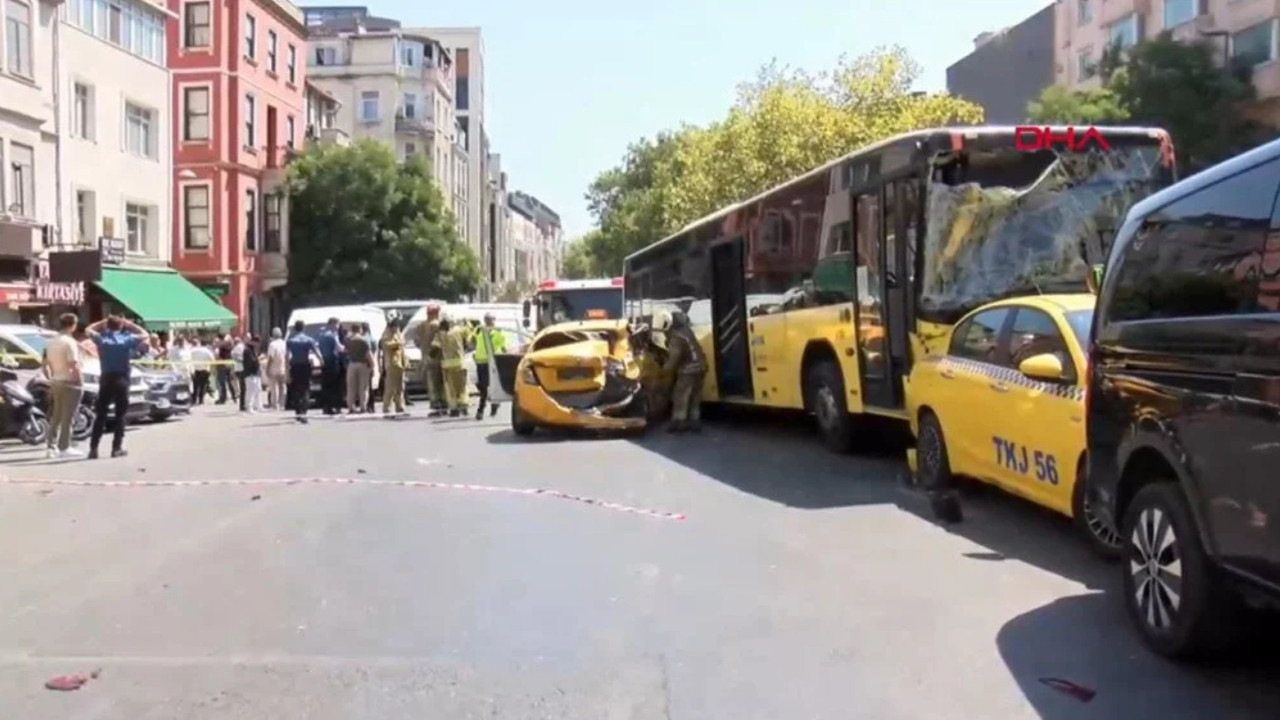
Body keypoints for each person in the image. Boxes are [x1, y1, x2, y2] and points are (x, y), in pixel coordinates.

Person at [84, 315, 148, 458]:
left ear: (108, 325)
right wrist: (130, 324)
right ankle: (116, 448)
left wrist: (102, 322)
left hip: (106, 378)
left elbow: (88, 329)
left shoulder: (102, 339)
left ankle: (93, 448)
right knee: (120, 415)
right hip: (122, 378)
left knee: (101, 414)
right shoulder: (127, 339)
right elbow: (144, 334)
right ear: (121, 326)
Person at [42, 312, 84, 458]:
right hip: (69, 381)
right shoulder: (69, 342)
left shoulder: (51, 341)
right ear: (73, 325)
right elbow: (74, 364)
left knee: (56, 415)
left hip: (56, 380)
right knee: (69, 416)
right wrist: (78, 381)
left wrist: (51, 377)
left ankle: (50, 446)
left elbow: (45, 364)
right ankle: (64, 446)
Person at [661, 310, 707, 433]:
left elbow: (674, 359)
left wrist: (663, 369)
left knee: (680, 396)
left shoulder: (676, 337)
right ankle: (695, 423)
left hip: (688, 370)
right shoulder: (687, 332)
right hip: (701, 368)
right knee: (695, 397)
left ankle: (678, 423)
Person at [471, 312, 507, 420]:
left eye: (490, 319)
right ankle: (487, 406)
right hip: (480, 361)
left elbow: (503, 346)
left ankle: (484, 409)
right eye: (486, 319)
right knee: (482, 386)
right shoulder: (479, 329)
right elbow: (472, 340)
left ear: (494, 320)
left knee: (492, 385)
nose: (488, 321)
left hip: (491, 362)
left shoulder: (498, 331)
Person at [285, 320, 321, 423]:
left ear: (295, 328)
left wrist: (287, 368)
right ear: (303, 328)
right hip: (305, 365)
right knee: (305, 389)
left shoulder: (291, 341)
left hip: (294, 365)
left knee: (296, 389)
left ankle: (298, 411)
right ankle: (304, 412)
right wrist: (321, 361)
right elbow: (316, 352)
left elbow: (287, 356)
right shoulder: (309, 340)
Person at [413, 304, 445, 417]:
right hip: (438, 357)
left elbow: (416, 341)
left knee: (431, 382)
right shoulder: (437, 325)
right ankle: (442, 404)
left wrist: (424, 349)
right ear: (435, 313)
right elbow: (442, 340)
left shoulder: (420, 326)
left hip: (426, 357)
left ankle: (435, 404)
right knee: (441, 382)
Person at [434, 316, 468, 417]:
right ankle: (463, 404)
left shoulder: (440, 335)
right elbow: (468, 341)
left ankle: (454, 409)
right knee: (462, 387)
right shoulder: (459, 331)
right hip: (460, 363)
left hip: (448, 365)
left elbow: (434, 350)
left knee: (450, 388)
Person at [317, 317, 344, 415]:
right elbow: (339, 348)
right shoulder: (333, 335)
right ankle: (334, 406)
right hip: (333, 362)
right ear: (332, 324)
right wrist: (348, 348)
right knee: (335, 385)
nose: (338, 326)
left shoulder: (322, 335)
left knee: (326, 385)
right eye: (337, 324)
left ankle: (326, 407)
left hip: (324, 362)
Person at [344, 323, 373, 413]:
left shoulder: (348, 340)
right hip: (362, 364)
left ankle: (351, 407)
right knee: (363, 387)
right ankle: (363, 407)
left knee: (351, 387)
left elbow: (345, 351)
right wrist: (372, 365)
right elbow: (368, 354)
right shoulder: (363, 340)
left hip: (352, 364)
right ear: (359, 329)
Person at [380, 321, 407, 415]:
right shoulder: (387, 335)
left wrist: (405, 361)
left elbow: (402, 349)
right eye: (395, 326)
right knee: (390, 387)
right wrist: (398, 343)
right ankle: (387, 406)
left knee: (400, 387)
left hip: (399, 364)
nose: (396, 328)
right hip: (391, 364)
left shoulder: (398, 334)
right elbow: (387, 345)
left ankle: (400, 405)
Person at [265, 327, 288, 410]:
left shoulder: (272, 344)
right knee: (282, 386)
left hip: (274, 367)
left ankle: (275, 404)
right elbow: (287, 355)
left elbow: (271, 357)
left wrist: (267, 368)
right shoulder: (284, 343)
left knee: (274, 387)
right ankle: (282, 404)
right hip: (282, 366)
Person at [241, 334, 263, 413]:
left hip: (256, 373)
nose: (258, 345)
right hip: (250, 373)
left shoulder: (254, 350)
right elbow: (251, 361)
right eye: (257, 343)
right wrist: (259, 359)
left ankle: (259, 405)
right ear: (254, 342)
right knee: (250, 390)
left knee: (258, 389)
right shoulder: (248, 350)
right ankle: (249, 407)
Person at [189, 338, 214, 404]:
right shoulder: (206, 350)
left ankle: (194, 400)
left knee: (195, 385)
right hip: (205, 369)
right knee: (203, 385)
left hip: (195, 370)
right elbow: (212, 359)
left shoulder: (191, 350)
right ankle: (201, 400)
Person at [215, 333, 236, 404]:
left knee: (223, 382)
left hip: (223, 364)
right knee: (228, 382)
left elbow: (218, 345)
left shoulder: (225, 344)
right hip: (227, 364)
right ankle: (234, 397)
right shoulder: (228, 345)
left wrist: (218, 343)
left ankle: (224, 398)